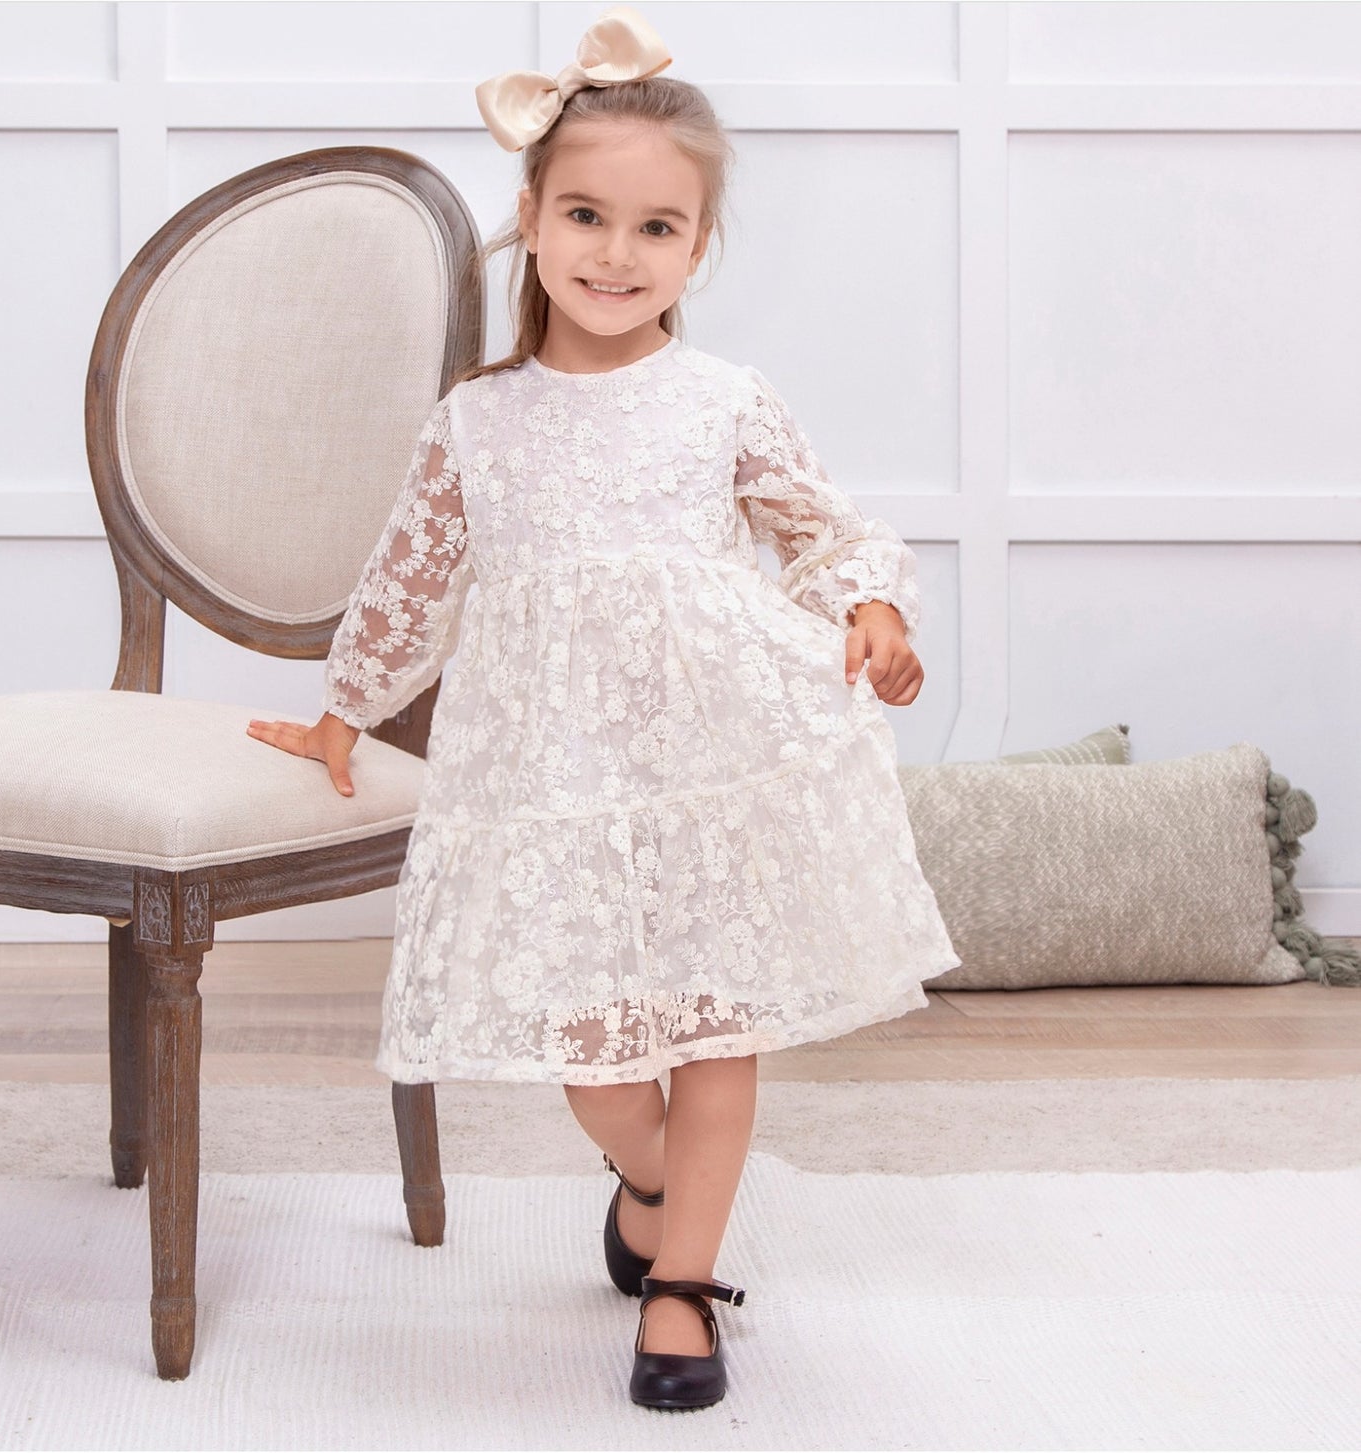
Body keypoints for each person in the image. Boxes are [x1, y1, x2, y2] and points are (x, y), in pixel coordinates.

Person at [246, 4, 961, 1414]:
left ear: (696, 248)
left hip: (713, 755)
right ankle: (646, 1176)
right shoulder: (477, 418)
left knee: (713, 1021)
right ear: (530, 216)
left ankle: (682, 1286)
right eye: (585, 215)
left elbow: (821, 529)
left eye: (654, 230)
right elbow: (411, 577)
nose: (614, 255)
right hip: (547, 769)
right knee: (598, 1050)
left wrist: (867, 608)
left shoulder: (720, 399)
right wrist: (344, 708)